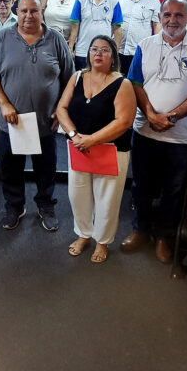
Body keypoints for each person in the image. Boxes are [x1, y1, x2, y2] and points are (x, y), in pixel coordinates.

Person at [121, 0, 187, 262]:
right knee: (141, 186)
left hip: (182, 137)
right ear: (160, 17)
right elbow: (134, 83)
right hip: (145, 130)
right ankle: (140, 231)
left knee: (173, 190)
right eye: (167, 15)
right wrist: (151, 115)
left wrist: (170, 118)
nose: (172, 20)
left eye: (179, 15)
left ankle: (163, 237)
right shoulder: (145, 45)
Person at [0, 0, 75, 231]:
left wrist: (60, 110)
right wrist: (4, 103)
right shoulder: (3, 38)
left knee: (46, 169)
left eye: (34, 11)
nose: (28, 16)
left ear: (42, 12)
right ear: (17, 11)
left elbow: (70, 79)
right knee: (9, 168)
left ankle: (46, 205)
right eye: (23, 11)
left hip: (45, 122)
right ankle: (14, 206)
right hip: (9, 122)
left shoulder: (56, 40)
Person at [55, 35, 135, 263]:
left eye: (105, 50)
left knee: (107, 200)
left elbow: (124, 122)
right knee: (77, 195)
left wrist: (92, 140)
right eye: (94, 49)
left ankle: (102, 241)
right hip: (79, 147)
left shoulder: (123, 84)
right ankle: (83, 234)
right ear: (88, 54)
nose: (98, 53)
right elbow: (61, 108)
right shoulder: (77, 77)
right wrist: (74, 135)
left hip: (111, 150)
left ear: (113, 57)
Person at [68, 0, 123, 70]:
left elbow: (117, 29)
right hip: (83, 52)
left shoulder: (114, 1)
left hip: (105, 53)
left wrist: (115, 52)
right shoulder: (81, 0)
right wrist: (70, 48)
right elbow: (74, 27)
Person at [118, 0, 160, 73]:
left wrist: (156, 47)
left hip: (141, 52)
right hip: (120, 50)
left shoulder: (154, 2)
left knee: (136, 80)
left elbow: (157, 25)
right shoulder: (120, 0)